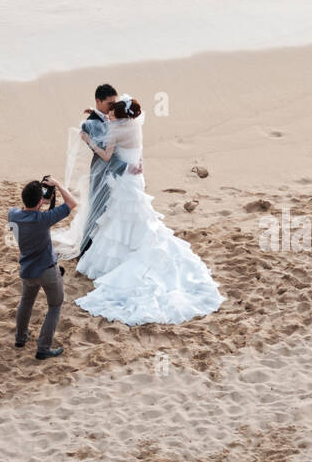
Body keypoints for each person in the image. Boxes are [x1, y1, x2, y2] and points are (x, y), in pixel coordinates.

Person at [74, 97, 223, 325]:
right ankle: (136, 246)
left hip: (124, 180)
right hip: (136, 177)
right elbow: (125, 137)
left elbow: (105, 155)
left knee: (120, 217)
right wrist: (97, 113)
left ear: (119, 116)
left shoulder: (115, 131)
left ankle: (123, 258)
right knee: (138, 216)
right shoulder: (134, 125)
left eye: (112, 113)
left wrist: (87, 139)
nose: (109, 116)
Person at [9, 175, 78, 360]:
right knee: (55, 306)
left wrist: (39, 202)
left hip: (27, 271)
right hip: (47, 271)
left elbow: (25, 211)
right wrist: (57, 185)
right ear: (41, 201)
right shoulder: (44, 219)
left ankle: (20, 338)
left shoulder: (13, 215)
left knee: (26, 302)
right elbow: (72, 203)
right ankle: (43, 348)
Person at [75, 83, 125, 256]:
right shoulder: (89, 125)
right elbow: (103, 150)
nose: (114, 108)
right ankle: (87, 249)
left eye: (115, 103)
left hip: (118, 172)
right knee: (97, 209)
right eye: (109, 104)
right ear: (98, 101)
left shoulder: (108, 116)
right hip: (102, 172)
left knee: (114, 209)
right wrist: (88, 138)